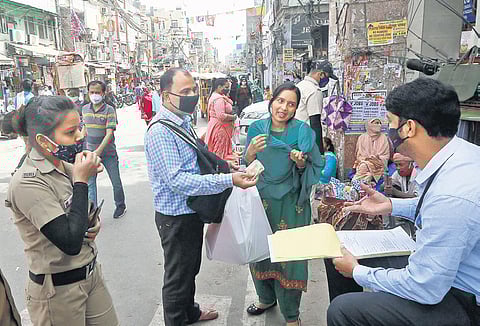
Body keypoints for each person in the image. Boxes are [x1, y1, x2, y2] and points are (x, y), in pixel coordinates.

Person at [326, 78, 480, 326]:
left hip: (462, 299)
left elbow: (425, 288)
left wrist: (357, 272)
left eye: (389, 123)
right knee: (338, 248)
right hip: (447, 274)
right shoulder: (458, 153)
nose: (387, 131)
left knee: (343, 310)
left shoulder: (452, 196)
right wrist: (390, 205)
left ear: (409, 128)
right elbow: (432, 208)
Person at [144, 67, 259, 326]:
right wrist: (227, 180)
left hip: (190, 211)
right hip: (175, 216)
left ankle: (190, 312)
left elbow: (199, 155)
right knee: (177, 276)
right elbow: (178, 181)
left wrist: (224, 165)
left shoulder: (182, 120)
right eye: (184, 92)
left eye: (193, 90)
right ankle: (177, 320)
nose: (192, 96)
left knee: (189, 268)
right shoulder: (160, 131)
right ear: (165, 95)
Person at [5, 96, 118, 325]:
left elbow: (80, 213)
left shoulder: (64, 167)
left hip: (90, 275)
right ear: (43, 141)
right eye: (70, 132)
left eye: (80, 128)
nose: (80, 136)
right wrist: (82, 181)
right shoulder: (27, 182)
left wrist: (92, 224)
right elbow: (70, 242)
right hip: (58, 290)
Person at [244, 82, 323, 326]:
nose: (284, 108)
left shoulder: (302, 132)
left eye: (291, 104)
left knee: (290, 257)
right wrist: (249, 151)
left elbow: (312, 167)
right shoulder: (257, 128)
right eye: (280, 101)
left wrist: (300, 162)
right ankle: (266, 298)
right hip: (261, 200)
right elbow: (248, 163)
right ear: (272, 100)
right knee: (260, 251)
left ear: (296, 108)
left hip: (291, 203)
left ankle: (291, 315)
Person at [83, 81, 127, 218]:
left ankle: (120, 205)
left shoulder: (109, 110)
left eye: (97, 92)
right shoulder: (84, 109)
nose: (94, 95)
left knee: (116, 181)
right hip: (90, 153)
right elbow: (84, 129)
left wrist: (99, 151)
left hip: (108, 153)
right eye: (92, 92)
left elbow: (109, 133)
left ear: (103, 93)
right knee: (90, 184)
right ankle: (93, 213)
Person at [295, 60, 338, 154]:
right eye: (327, 76)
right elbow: (315, 122)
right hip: (305, 139)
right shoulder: (314, 91)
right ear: (321, 74)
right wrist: (319, 152)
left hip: (294, 136)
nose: (327, 80)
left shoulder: (300, 86)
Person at [205, 78, 236, 160]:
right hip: (220, 128)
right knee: (220, 153)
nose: (227, 89)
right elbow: (221, 116)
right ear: (219, 87)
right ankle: (220, 170)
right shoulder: (218, 99)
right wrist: (233, 117)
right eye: (226, 87)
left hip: (217, 126)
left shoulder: (218, 96)